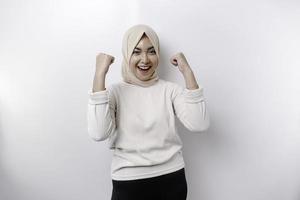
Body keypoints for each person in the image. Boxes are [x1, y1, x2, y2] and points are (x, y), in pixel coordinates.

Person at [87, 24, 210, 200]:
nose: (145, 59)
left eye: (151, 51)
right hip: (128, 182)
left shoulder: (170, 90)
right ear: (126, 54)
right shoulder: (114, 92)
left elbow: (199, 124)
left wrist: (187, 71)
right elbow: (98, 133)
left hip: (172, 180)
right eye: (136, 52)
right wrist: (100, 74)